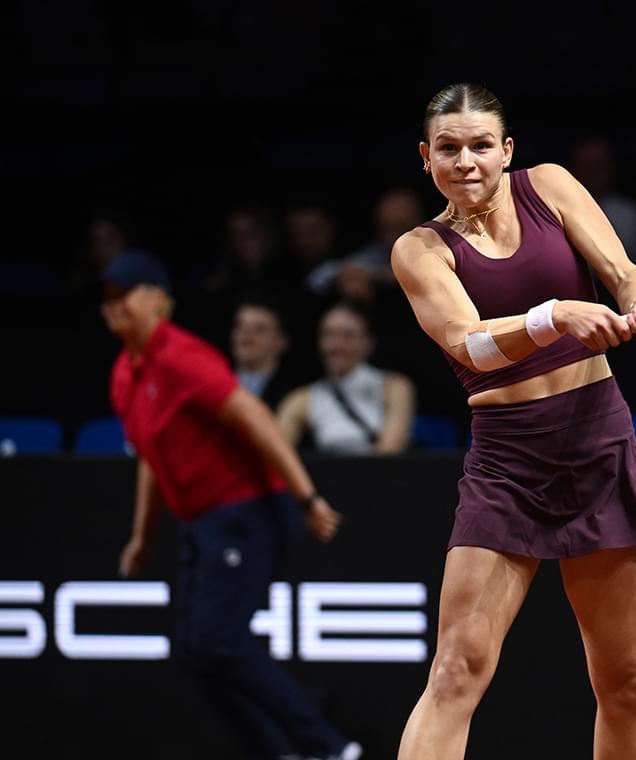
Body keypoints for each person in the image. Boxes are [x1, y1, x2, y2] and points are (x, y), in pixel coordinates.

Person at [389, 83, 636, 760]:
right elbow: (468, 344)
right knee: (456, 672)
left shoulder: (549, 185)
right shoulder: (419, 249)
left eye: (481, 146)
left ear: (507, 150)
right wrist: (554, 316)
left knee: (626, 684)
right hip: (508, 465)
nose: (466, 162)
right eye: (449, 149)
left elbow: (625, 272)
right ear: (426, 157)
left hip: (599, 443)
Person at [101, 251, 361, 760]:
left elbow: (256, 417)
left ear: (157, 300)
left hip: (249, 511)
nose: (112, 305)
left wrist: (306, 496)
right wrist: (142, 538)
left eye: (123, 294)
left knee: (218, 642)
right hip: (202, 522)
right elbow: (151, 457)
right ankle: (277, 750)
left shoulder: (182, 357)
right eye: (106, 297)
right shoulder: (123, 375)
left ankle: (330, 747)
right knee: (198, 653)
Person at [277, 302, 416, 454]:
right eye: (328, 334)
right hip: (327, 468)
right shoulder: (302, 398)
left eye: (348, 335)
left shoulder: (394, 387)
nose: (337, 345)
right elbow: (279, 452)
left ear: (368, 343)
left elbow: (390, 451)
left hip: (378, 468)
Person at [231, 296, 302, 411]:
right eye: (240, 325)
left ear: (282, 341)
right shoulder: (213, 382)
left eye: (260, 329)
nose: (246, 333)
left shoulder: (296, 395)